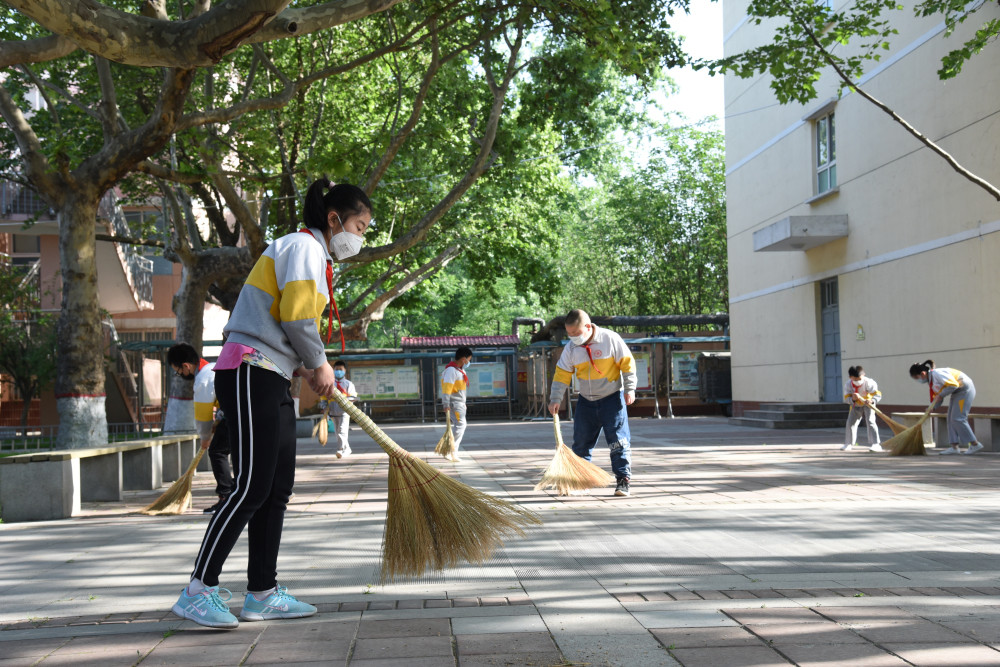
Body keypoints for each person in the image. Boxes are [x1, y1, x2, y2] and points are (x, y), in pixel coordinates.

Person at [171, 179, 373, 629]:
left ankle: (261, 592)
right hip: (248, 371)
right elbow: (297, 318)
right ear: (333, 218)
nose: (359, 238)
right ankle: (197, 590)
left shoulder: (314, 256)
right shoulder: (304, 247)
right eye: (358, 226)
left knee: (276, 490)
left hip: (271, 375)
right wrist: (317, 363)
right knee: (250, 489)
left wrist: (304, 365)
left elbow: (287, 322)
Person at [547, 309, 636, 497]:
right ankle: (581, 481)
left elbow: (628, 364)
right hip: (586, 400)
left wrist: (630, 389)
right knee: (581, 443)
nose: (572, 337)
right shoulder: (571, 348)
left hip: (612, 398)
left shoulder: (610, 339)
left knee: (618, 441)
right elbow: (562, 374)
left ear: (588, 327)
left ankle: (622, 480)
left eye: (575, 333)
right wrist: (555, 398)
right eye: (569, 333)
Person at [167, 343, 232, 514]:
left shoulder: (203, 379)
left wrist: (204, 437)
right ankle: (235, 495)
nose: (180, 374)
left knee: (217, 452)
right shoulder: (211, 368)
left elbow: (202, 415)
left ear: (186, 366)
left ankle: (226, 497)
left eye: (178, 371)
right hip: (235, 413)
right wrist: (217, 419)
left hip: (234, 415)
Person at [909, 360, 984, 456]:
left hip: (965, 390)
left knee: (958, 418)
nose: (917, 380)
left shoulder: (937, 374)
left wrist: (940, 395)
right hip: (958, 392)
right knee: (950, 418)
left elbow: (953, 385)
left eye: (916, 377)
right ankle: (954, 447)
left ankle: (975, 444)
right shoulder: (931, 381)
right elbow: (938, 398)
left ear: (923, 373)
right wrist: (932, 408)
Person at [440, 346, 473, 462]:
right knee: (460, 426)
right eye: (468, 359)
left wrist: (463, 402)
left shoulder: (459, 371)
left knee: (460, 426)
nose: (469, 362)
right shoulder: (451, 371)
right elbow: (447, 388)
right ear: (463, 359)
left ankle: (451, 451)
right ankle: (451, 451)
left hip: (459, 403)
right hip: (455, 403)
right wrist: (446, 404)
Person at [841, 365, 883, 452]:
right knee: (850, 422)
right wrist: (852, 399)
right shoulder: (848, 384)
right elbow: (846, 399)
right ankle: (848, 443)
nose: (858, 381)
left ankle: (876, 444)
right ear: (850, 377)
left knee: (871, 421)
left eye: (859, 379)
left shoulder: (869, 382)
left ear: (864, 375)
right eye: (855, 380)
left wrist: (871, 401)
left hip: (868, 404)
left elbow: (877, 394)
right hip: (856, 405)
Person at [323, 359, 358, 458]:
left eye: (340, 369)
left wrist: (344, 398)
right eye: (336, 369)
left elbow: (353, 397)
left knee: (342, 430)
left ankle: (340, 449)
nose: (338, 371)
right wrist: (324, 407)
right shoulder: (330, 384)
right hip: (333, 411)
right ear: (333, 370)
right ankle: (347, 448)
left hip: (344, 411)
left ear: (345, 370)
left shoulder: (348, 384)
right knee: (337, 432)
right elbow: (323, 397)